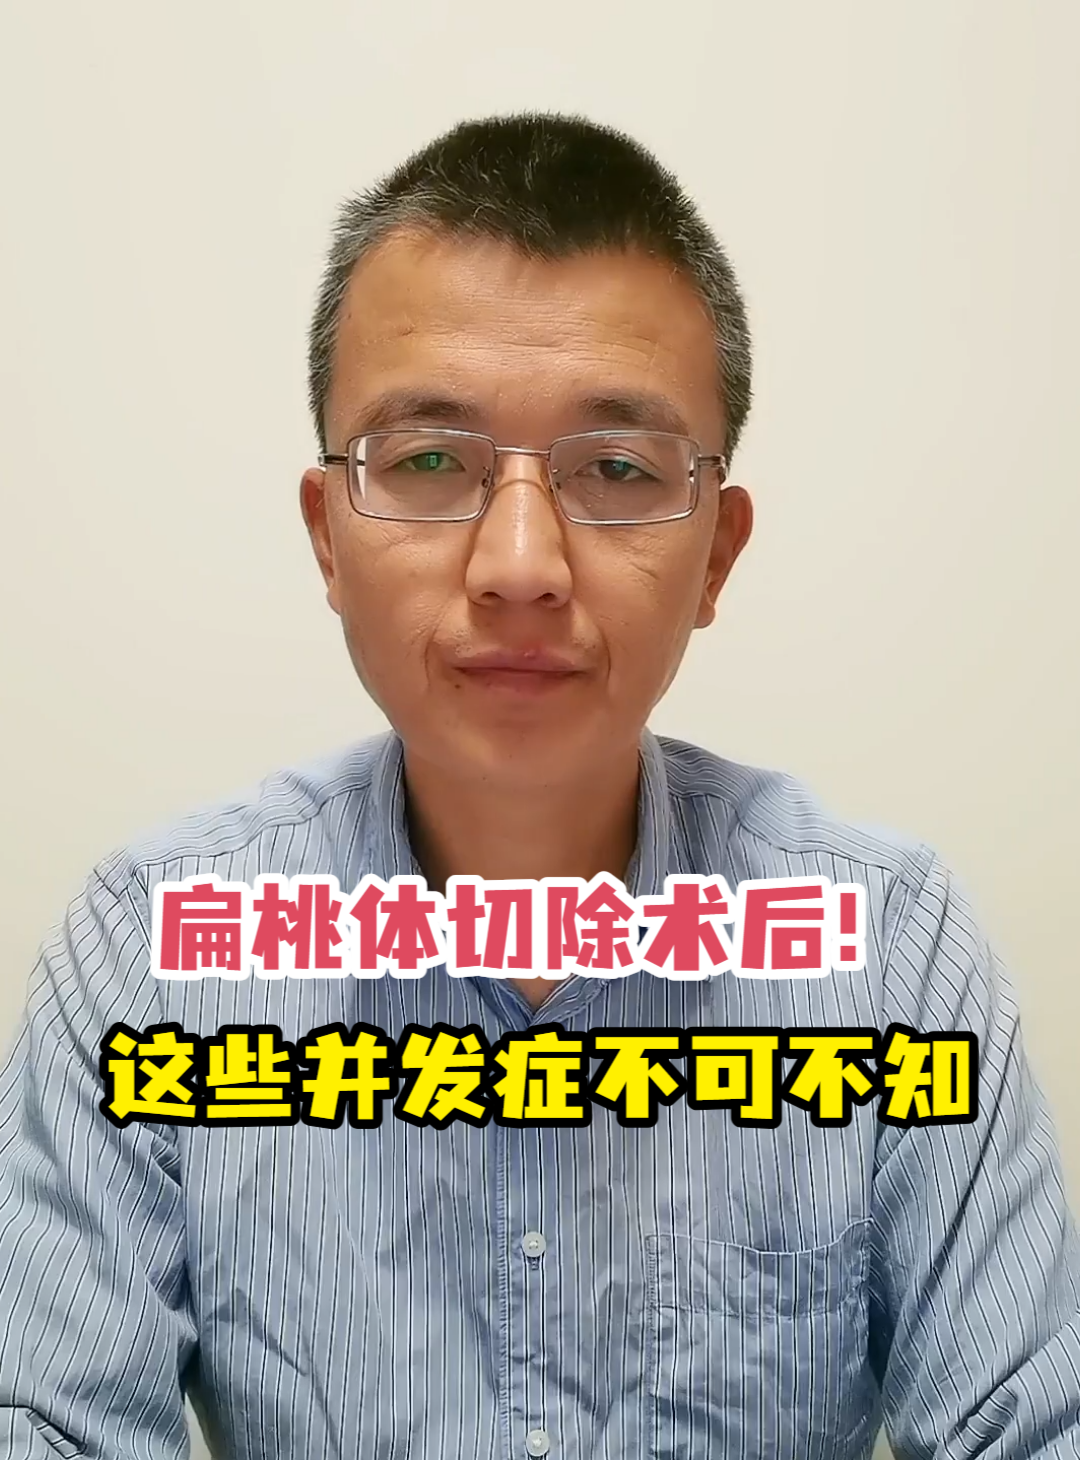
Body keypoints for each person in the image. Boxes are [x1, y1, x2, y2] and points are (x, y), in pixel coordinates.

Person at [1, 112, 1078, 1460]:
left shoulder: (889, 956)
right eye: (430, 463)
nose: (520, 566)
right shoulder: (155, 955)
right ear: (329, 535)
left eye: (616, 471)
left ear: (718, 553)